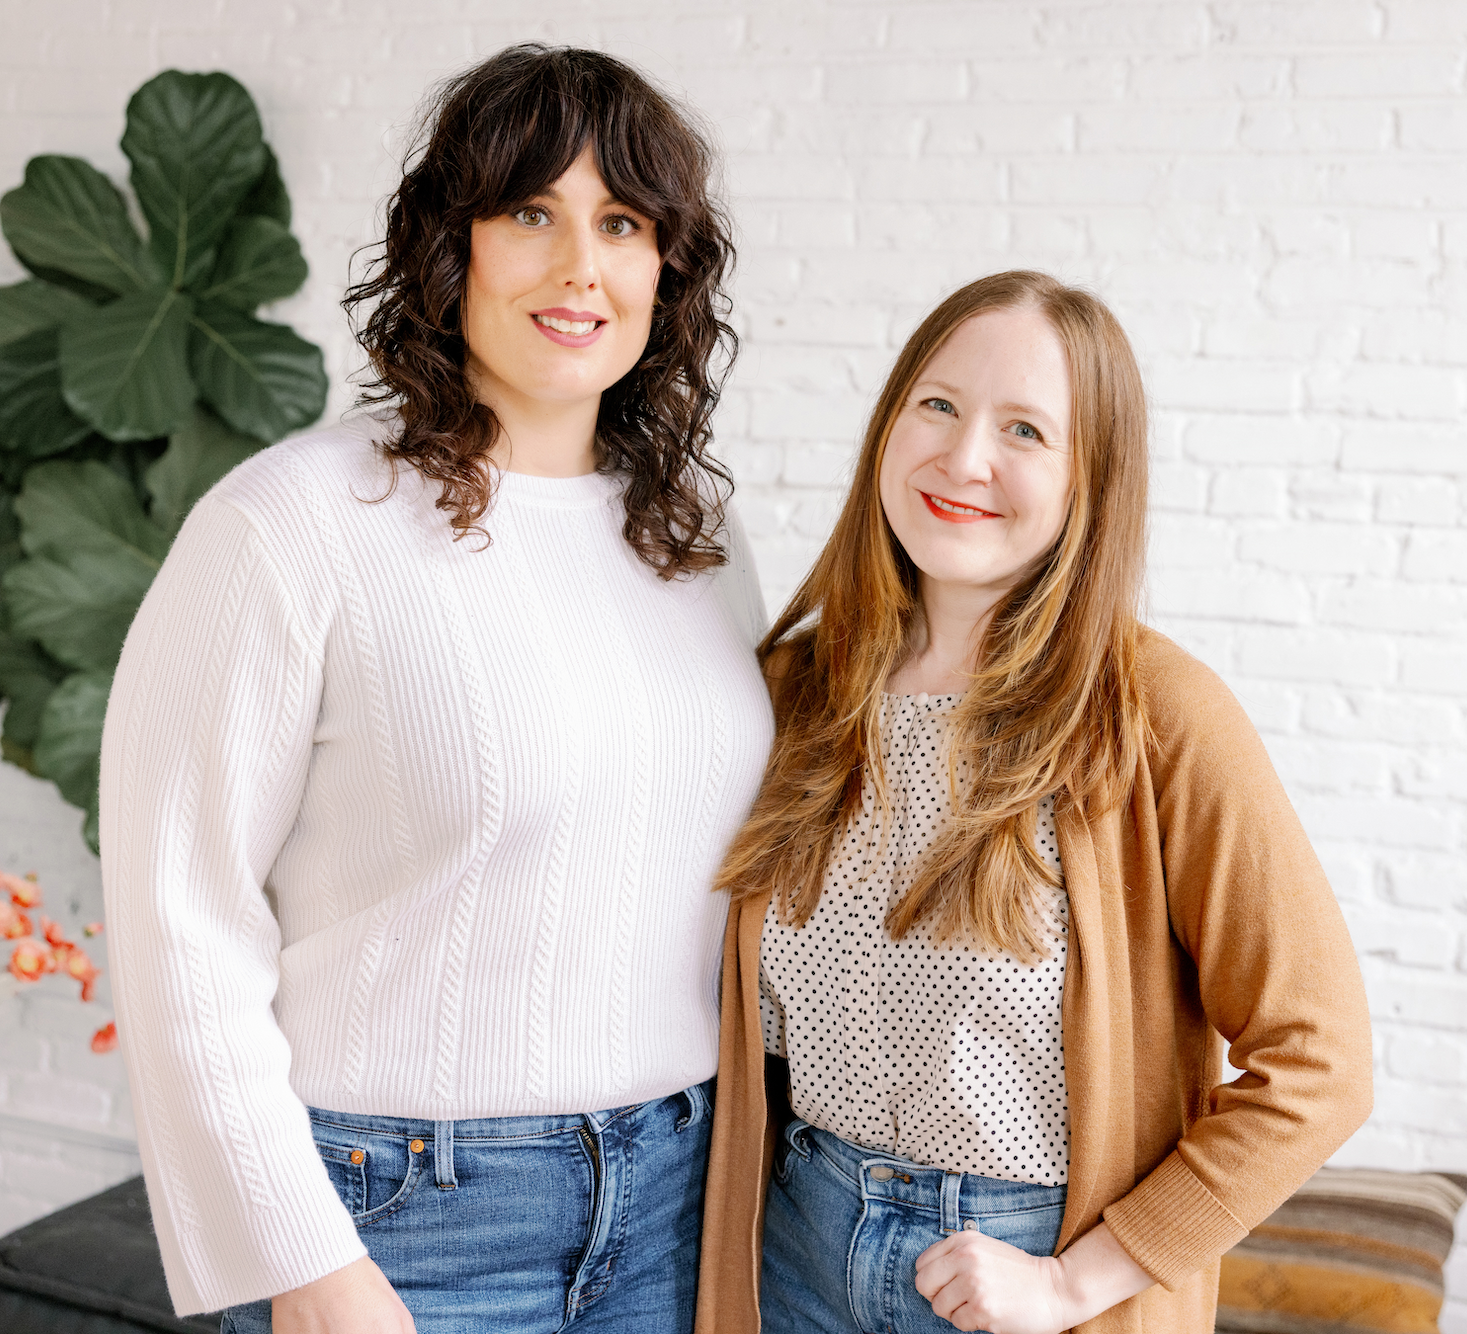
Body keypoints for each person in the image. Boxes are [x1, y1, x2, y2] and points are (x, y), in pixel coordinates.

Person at [100, 44, 774, 1334]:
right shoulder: (290, 524)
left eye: (622, 223)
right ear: (449, 249)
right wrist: (308, 1261)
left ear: (664, 272)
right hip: (404, 1217)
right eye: (532, 212)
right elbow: (178, 909)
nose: (581, 264)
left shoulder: (695, 537)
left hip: (674, 1199)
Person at [695, 270, 1372, 1334]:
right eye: (939, 405)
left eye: (1025, 429)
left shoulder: (1160, 719)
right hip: (794, 1247)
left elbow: (1320, 1061)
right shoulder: (789, 691)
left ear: (1088, 477)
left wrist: (1077, 1280)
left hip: (1020, 1270)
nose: (965, 459)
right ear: (889, 423)